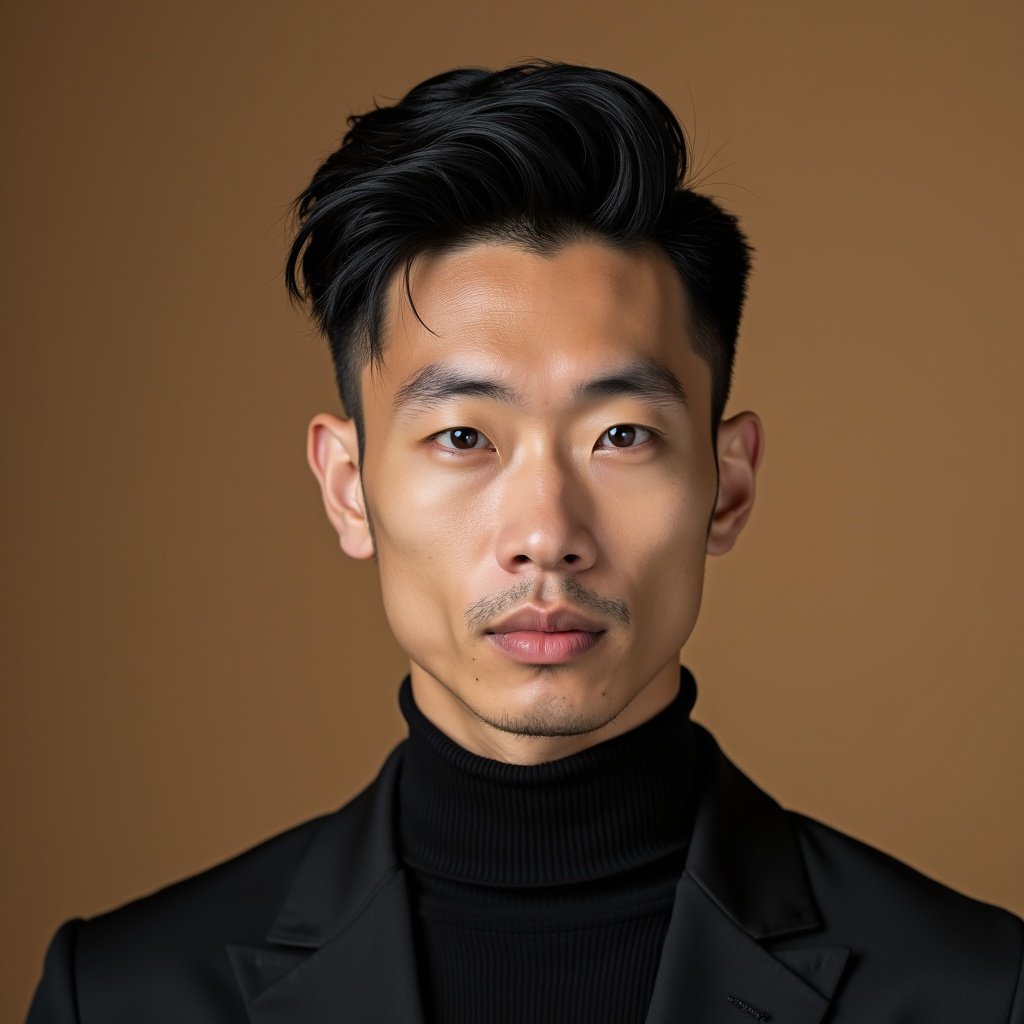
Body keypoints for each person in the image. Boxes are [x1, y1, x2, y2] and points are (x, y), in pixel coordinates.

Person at [27, 61, 1023, 1024]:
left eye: (619, 436)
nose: (547, 536)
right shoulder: (124, 992)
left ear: (728, 484)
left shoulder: (971, 990)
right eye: (463, 437)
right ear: (347, 487)